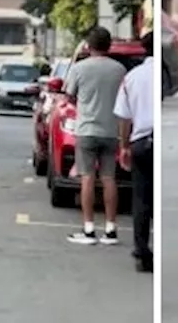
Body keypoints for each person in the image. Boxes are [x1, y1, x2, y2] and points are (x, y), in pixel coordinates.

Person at [63, 27, 128, 246]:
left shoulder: (80, 68)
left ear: (88, 46)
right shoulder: (119, 70)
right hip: (111, 131)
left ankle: (89, 229)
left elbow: (69, 96)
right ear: (109, 46)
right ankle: (111, 229)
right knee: (109, 179)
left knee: (88, 178)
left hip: (87, 130)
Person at [115, 31, 156, 273]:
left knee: (141, 199)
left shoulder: (132, 77)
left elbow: (124, 116)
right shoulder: (165, 75)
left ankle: (142, 251)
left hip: (141, 141)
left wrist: (124, 146)